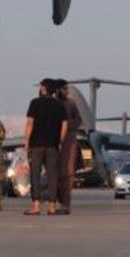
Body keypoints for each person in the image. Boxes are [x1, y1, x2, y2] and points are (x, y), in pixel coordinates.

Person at [24, 79, 67, 216]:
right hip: (52, 145)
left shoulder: (35, 103)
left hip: (36, 145)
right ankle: (52, 206)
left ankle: (36, 205)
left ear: (43, 88)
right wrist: (60, 140)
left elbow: (30, 123)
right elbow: (64, 125)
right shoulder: (59, 105)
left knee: (35, 175)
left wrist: (27, 141)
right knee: (53, 176)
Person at [54, 79, 83, 215]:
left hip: (68, 143)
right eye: (63, 89)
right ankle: (54, 201)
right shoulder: (51, 104)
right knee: (53, 173)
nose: (65, 91)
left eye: (66, 89)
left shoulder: (70, 103)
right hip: (52, 142)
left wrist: (65, 125)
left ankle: (66, 203)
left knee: (67, 173)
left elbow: (79, 120)